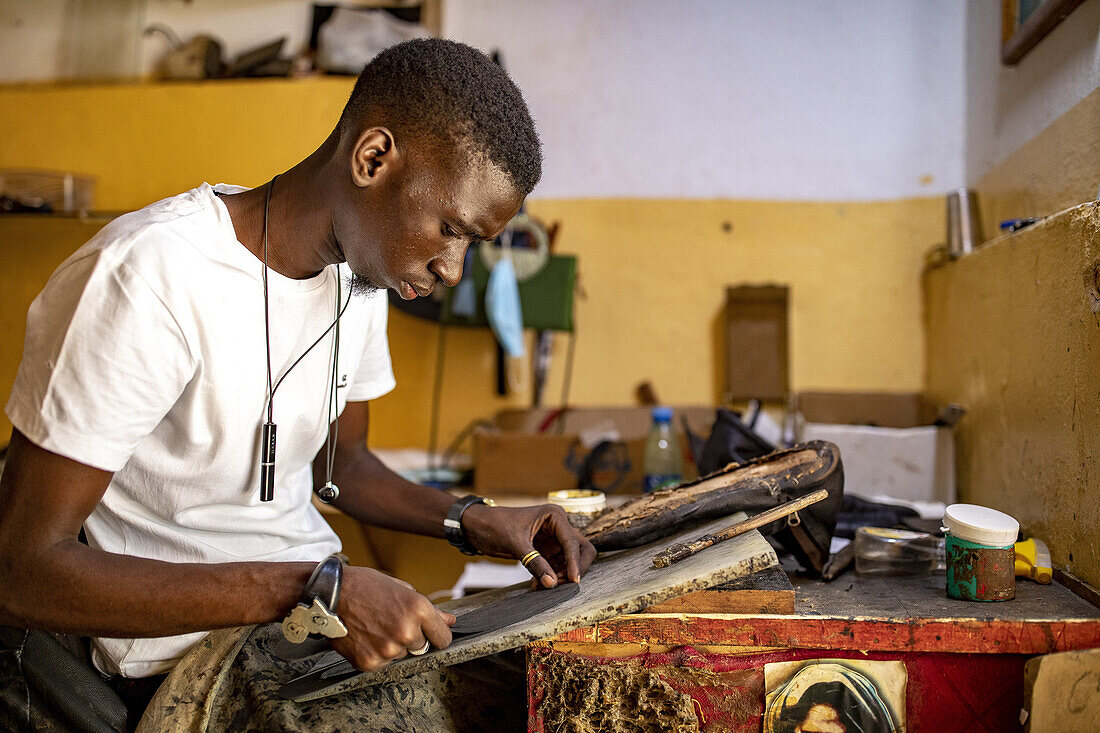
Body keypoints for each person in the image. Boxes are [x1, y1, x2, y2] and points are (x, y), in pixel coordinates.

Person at [0, 38, 595, 731]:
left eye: (473, 244)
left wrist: (470, 518)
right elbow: (22, 567)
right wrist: (315, 587)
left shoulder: (360, 283)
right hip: (179, 663)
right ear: (372, 159)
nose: (453, 269)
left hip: (301, 628)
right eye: (449, 229)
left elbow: (343, 472)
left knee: (539, 693)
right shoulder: (148, 278)